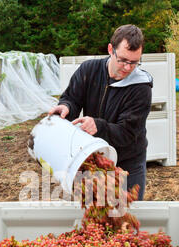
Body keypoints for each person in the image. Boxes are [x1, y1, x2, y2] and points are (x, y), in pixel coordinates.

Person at [48, 24, 153, 201]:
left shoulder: (141, 88)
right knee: (93, 214)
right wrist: (66, 107)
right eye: (123, 60)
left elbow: (127, 133)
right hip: (94, 159)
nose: (127, 68)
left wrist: (98, 126)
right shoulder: (89, 70)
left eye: (134, 62)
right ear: (111, 50)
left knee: (126, 216)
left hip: (128, 163)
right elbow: (72, 98)